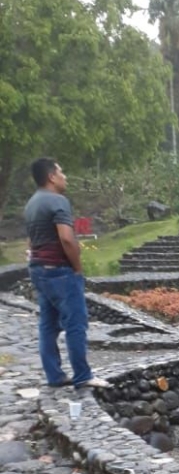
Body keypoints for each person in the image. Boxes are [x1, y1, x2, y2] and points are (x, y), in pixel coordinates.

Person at [24, 158, 110, 390]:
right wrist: (78, 268)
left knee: (48, 324)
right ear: (51, 176)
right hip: (60, 271)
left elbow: (32, 240)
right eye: (62, 172)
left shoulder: (32, 203)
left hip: (38, 270)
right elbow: (66, 238)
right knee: (76, 322)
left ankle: (55, 375)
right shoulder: (57, 201)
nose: (65, 177)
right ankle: (82, 376)